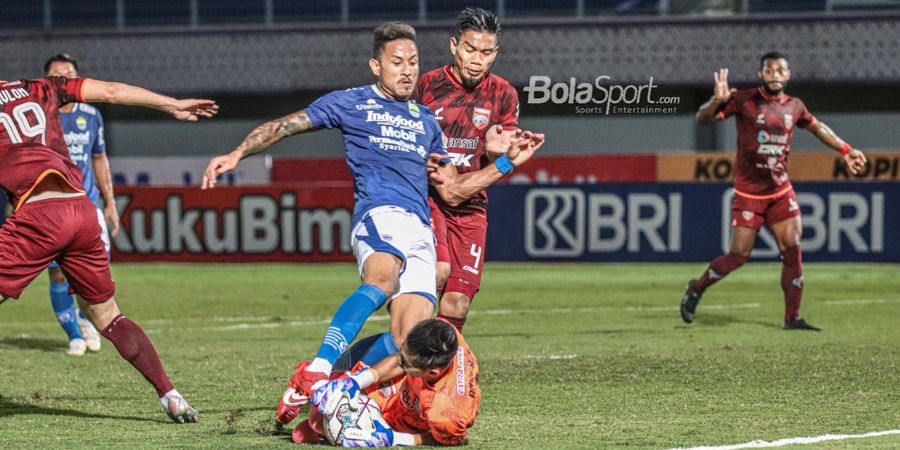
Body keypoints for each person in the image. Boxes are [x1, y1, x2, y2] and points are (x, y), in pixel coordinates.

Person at [200, 21, 542, 430]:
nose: (407, 70)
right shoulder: (352, 103)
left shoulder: (426, 121)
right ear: (375, 66)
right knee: (382, 280)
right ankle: (319, 367)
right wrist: (237, 153)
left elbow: (451, 193)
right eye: (397, 62)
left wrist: (506, 163)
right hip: (380, 214)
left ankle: (332, 383)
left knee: (406, 341)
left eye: (412, 62)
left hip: (420, 229)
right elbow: (284, 125)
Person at [0, 73, 218, 422]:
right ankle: (170, 395)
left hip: (39, 215)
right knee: (108, 316)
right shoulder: (42, 87)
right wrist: (172, 103)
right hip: (82, 211)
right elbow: (114, 91)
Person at [681, 51, 868, 330]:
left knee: (792, 248)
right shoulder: (744, 100)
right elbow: (703, 119)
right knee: (738, 257)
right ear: (761, 74)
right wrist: (716, 101)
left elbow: (818, 127)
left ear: (788, 74)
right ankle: (696, 288)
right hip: (748, 194)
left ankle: (792, 318)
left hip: (780, 192)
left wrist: (846, 149)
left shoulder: (795, 106)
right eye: (769, 70)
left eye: (780, 69)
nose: (775, 74)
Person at [299, 318, 479, 447]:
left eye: (407, 363)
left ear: (432, 372)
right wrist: (355, 382)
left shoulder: (446, 414)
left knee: (317, 423)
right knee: (329, 396)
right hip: (400, 390)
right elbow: (400, 360)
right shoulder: (442, 333)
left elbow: (440, 439)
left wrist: (393, 439)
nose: (400, 360)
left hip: (408, 423)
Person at [43, 53, 117, 356]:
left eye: (69, 74)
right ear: (46, 80)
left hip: (89, 208)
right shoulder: (39, 114)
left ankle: (87, 320)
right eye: (57, 74)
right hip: (52, 209)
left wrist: (110, 202)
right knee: (58, 272)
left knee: (95, 273)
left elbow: (99, 158)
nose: (64, 79)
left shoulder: (91, 114)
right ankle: (74, 333)